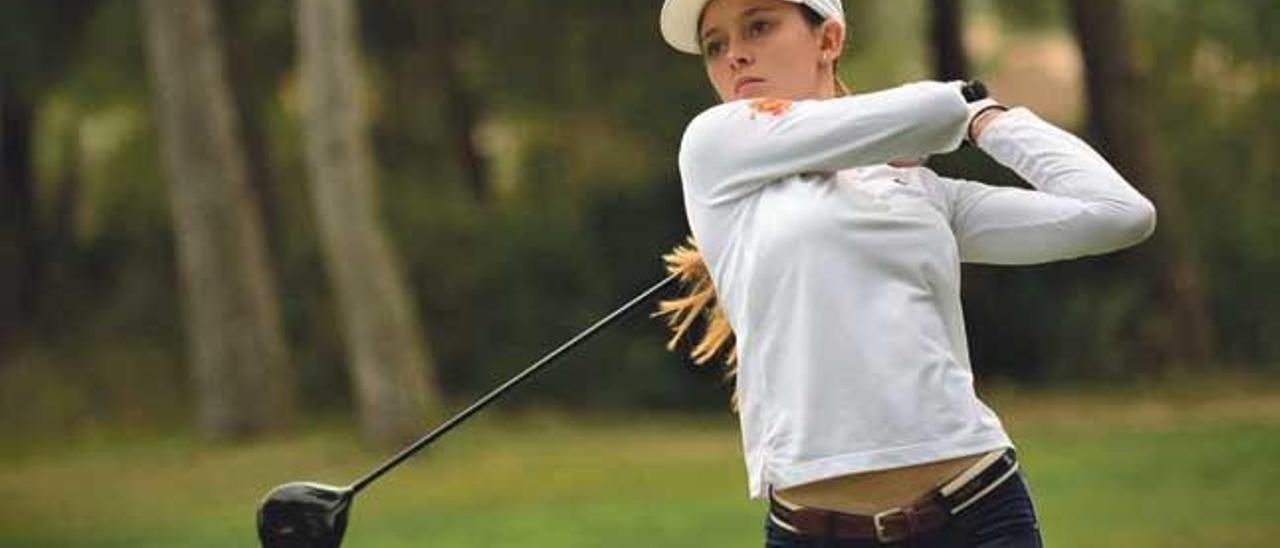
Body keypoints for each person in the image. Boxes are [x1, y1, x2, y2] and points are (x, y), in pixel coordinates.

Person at [652, 0, 1157, 546]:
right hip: (811, 532)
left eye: (759, 26)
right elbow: (929, 113)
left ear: (828, 41)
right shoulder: (713, 147)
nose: (736, 55)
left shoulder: (922, 190)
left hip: (978, 512)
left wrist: (991, 120)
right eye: (715, 45)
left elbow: (1118, 215)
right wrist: (958, 103)